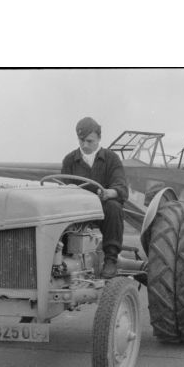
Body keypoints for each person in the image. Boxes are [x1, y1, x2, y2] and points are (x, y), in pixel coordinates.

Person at [61, 117, 129, 278]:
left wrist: (109, 193)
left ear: (99, 138)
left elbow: (121, 187)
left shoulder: (111, 159)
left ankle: (111, 260)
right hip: (77, 209)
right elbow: (64, 187)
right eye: (81, 140)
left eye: (90, 141)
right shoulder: (70, 160)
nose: (85, 145)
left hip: (101, 209)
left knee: (114, 207)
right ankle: (60, 259)